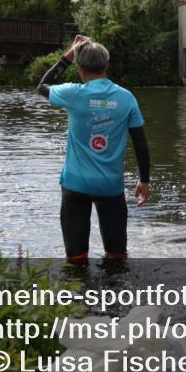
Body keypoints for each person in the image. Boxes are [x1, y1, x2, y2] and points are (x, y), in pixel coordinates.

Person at [37, 35, 151, 261]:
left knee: (76, 258)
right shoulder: (126, 98)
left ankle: (80, 294)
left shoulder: (72, 93)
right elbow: (140, 143)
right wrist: (144, 180)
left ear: (80, 67)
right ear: (107, 64)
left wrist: (68, 55)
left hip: (75, 184)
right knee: (117, 256)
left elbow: (42, 86)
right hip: (110, 186)